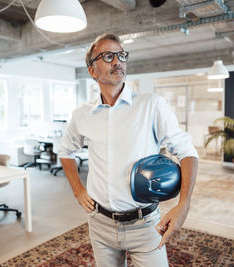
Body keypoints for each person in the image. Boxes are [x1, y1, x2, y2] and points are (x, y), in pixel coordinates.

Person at [58, 33, 198, 267]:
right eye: (108, 56)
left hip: (145, 224)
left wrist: (183, 205)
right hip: (100, 224)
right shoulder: (81, 115)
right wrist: (78, 191)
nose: (118, 61)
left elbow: (187, 153)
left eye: (122, 55)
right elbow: (65, 151)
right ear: (92, 70)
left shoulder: (151, 105)